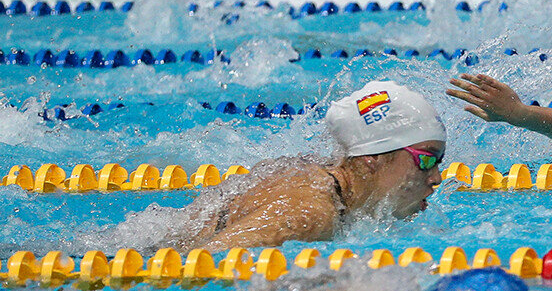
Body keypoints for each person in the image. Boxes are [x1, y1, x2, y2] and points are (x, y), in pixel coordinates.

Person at [172, 81, 446, 251]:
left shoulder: (325, 181)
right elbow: (198, 265)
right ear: (372, 157)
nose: (436, 178)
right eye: (426, 159)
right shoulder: (309, 215)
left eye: (440, 162)